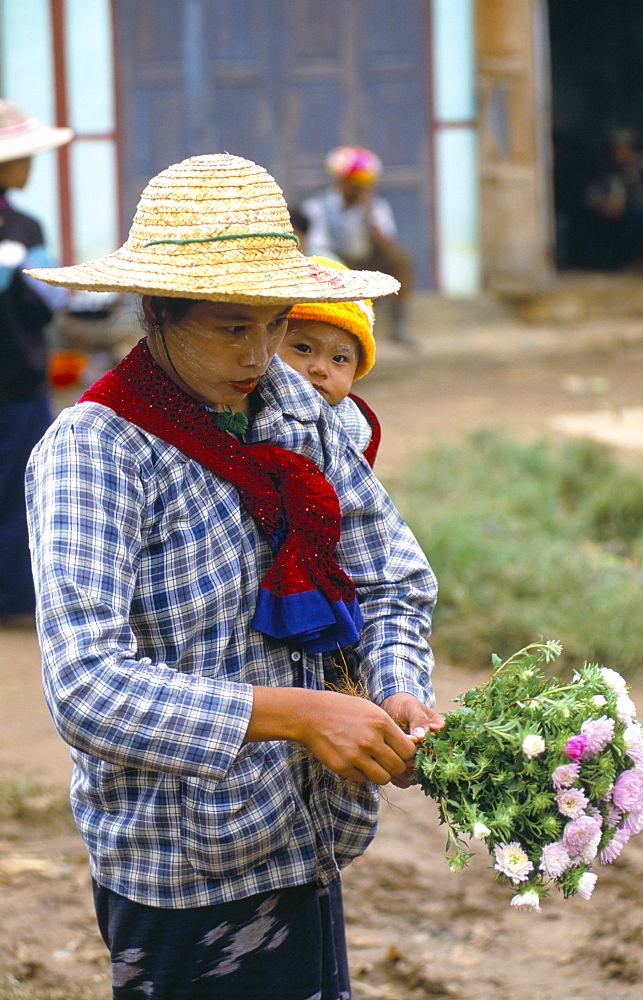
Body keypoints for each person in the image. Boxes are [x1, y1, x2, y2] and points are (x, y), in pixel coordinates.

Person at [25, 152, 442, 1000]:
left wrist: (395, 686)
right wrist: (297, 714)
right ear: (155, 313)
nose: (260, 353)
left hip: (307, 834)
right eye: (228, 327)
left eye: (273, 321)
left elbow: (391, 575)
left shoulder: (290, 407)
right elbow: (85, 686)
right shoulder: (96, 451)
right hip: (180, 869)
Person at [0, 98, 72, 626]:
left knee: (20, 485)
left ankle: (17, 598)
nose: (30, 166)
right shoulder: (22, 228)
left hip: (21, 379)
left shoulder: (25, 228)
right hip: (19, 380)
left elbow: (53, 299)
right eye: (23, 157)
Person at [301, 145, 414, 343]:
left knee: (401, 259)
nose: (361, 189)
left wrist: (370, 215)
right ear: (341, 181)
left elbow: (388, 248)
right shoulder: (318, 207)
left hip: (368, 261)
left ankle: (398, 324)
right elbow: (318, 250)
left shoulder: (377, 207)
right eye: (355, 183)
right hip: (338, 263)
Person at [279, 255, 382, 467]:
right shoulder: (242, 402)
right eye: (303, 349)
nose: (320, 369)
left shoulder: (351, 427)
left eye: (339, 358)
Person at [569, 129, 643, 272]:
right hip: (606, 217)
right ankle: (597, 266)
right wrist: (600, 203)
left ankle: (634, 263)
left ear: (633, 150)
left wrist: (624, 207)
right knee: (582, 221)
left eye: (623, 149)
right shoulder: (602, 171)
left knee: (640, 217)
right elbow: (590, 194)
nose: (618, 154)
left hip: (632, 218)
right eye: (614, 149)